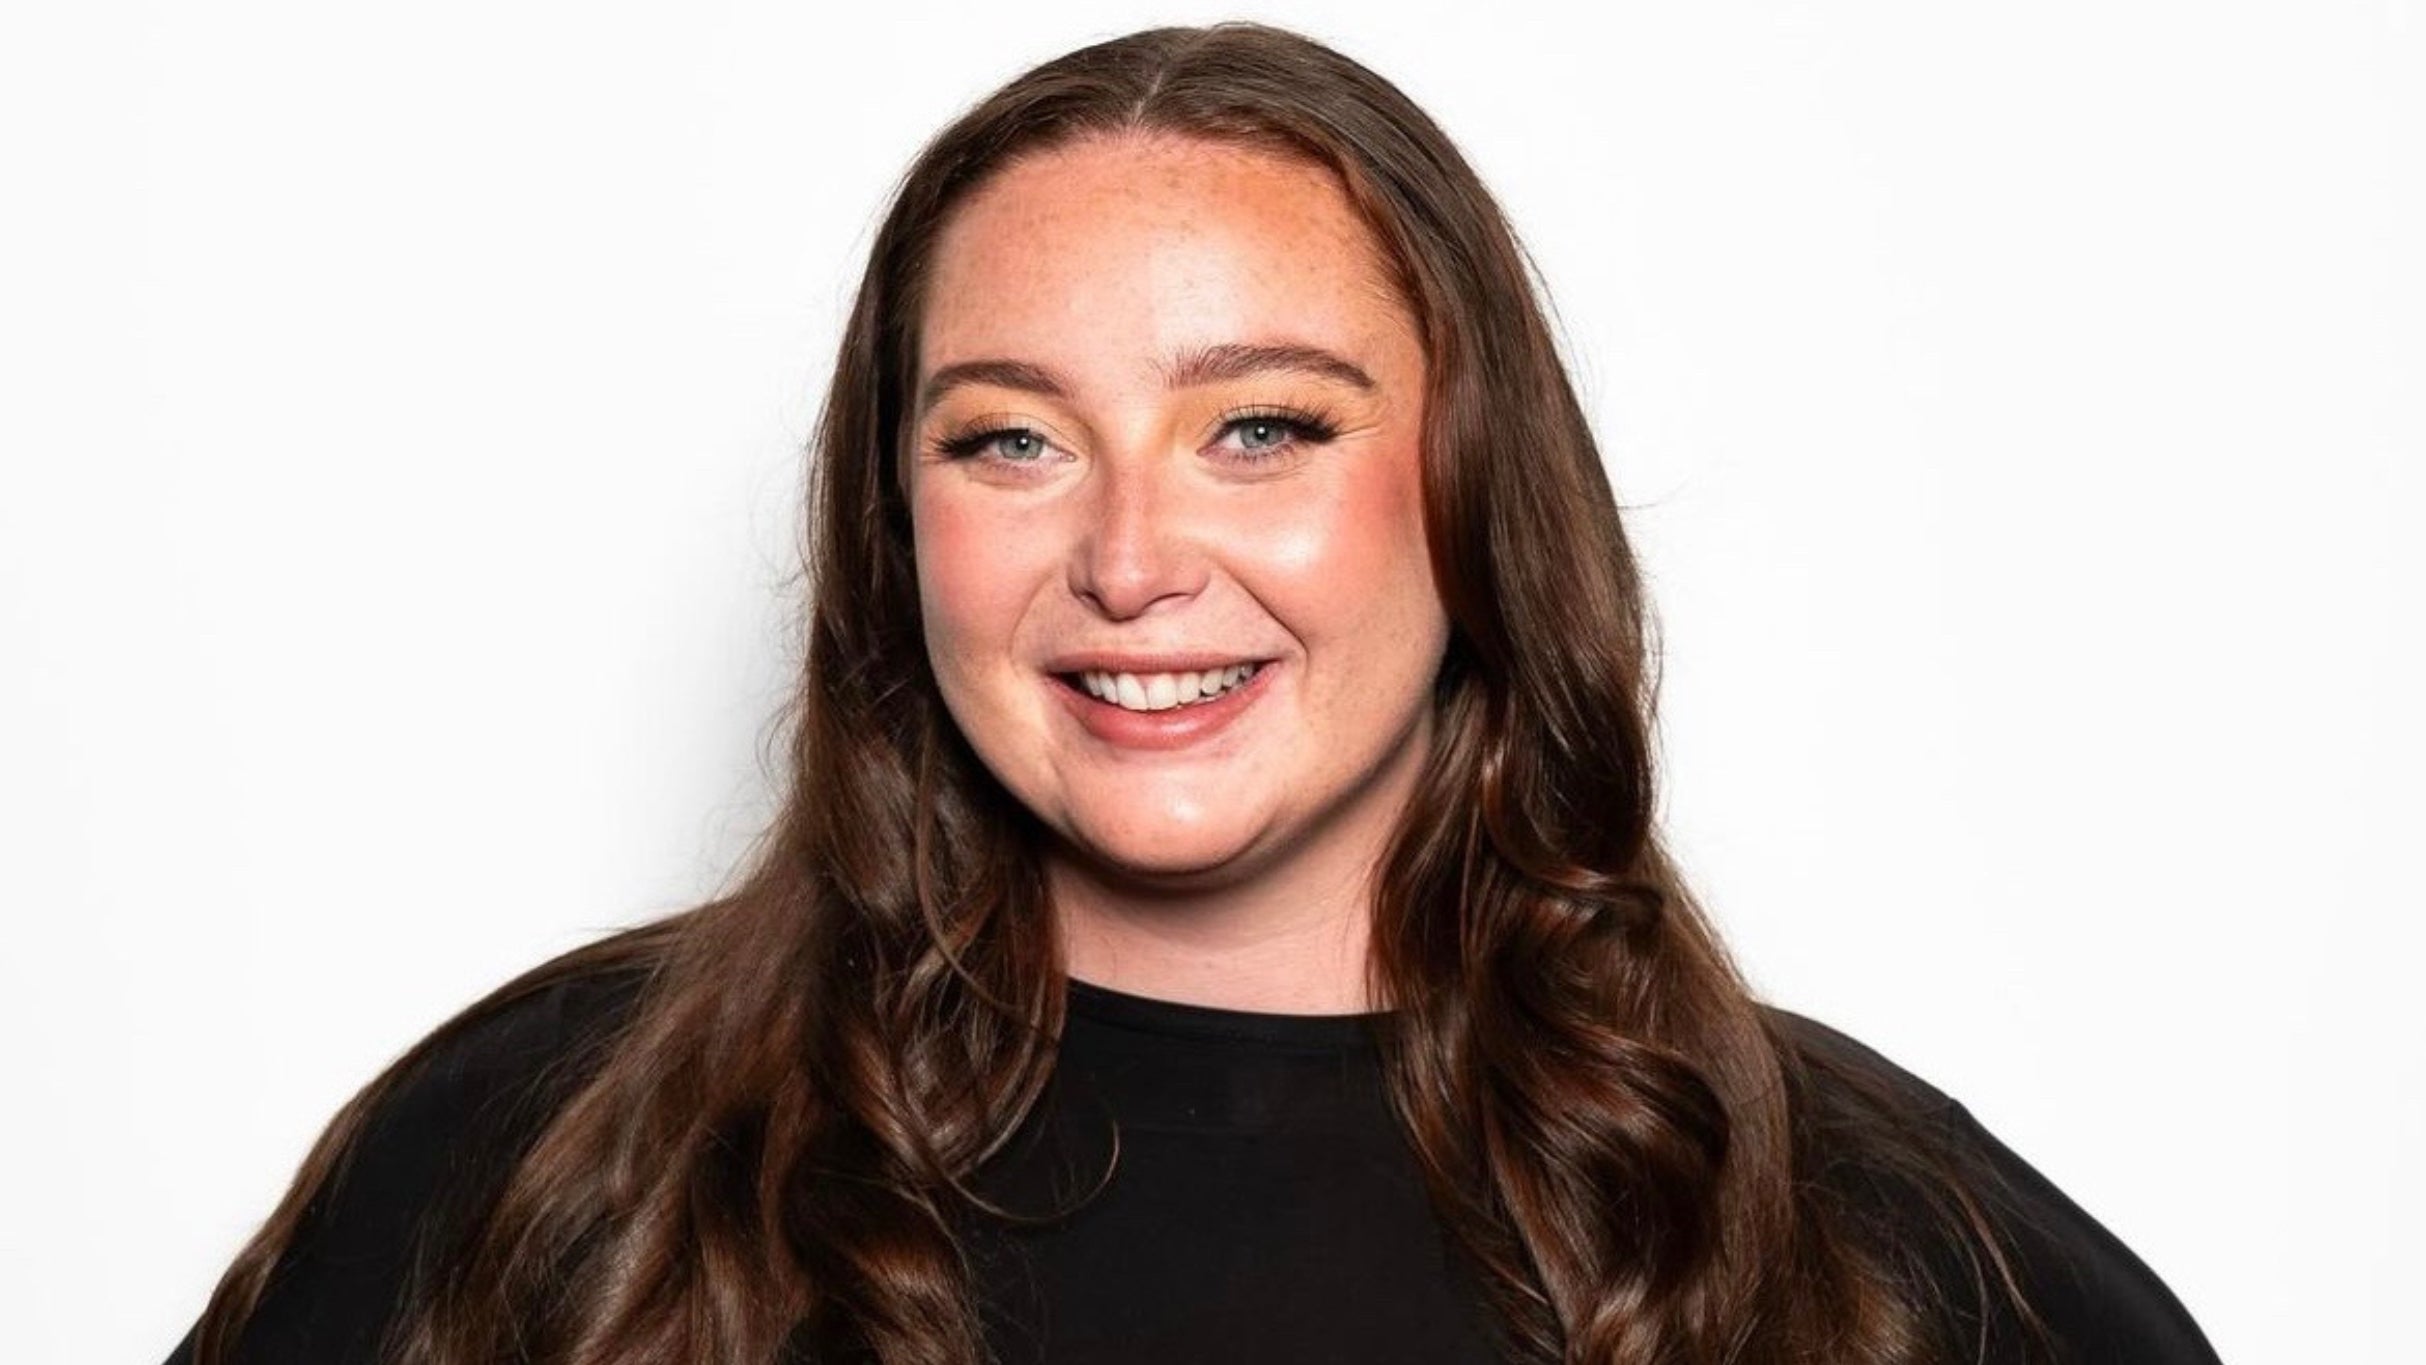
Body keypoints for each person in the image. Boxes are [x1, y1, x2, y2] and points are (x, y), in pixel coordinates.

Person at [166, 22, 2222, 1365]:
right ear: (898, 522)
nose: (1130, 557)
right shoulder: (548, 1150)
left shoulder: (1861, 1239)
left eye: (1263, 428)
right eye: (1009, 439)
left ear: (1474, 492)